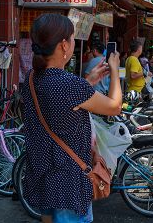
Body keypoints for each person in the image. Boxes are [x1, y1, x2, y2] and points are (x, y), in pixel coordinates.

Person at [22, 13, 122, 223]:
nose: (74, 42)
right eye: (72, 38)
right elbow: (114, 106)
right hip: (69, 184)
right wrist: (114, 71)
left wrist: (88, 81)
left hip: (43, 178)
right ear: (64, 46)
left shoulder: (32, 78)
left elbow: (60, 105)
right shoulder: (68, 84)